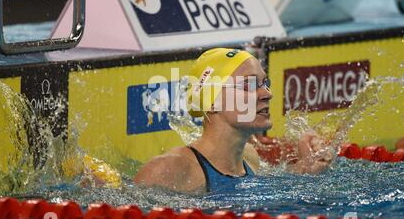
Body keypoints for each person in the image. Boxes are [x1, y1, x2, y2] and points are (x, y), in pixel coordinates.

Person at [134, 48, 332, 194]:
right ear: (211, 102)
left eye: (265, 83)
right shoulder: (169, 169)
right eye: (249, 84)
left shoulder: (249, 158)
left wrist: (307, 170)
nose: (267, 94)